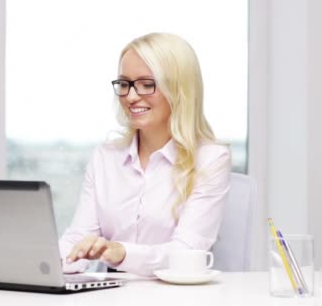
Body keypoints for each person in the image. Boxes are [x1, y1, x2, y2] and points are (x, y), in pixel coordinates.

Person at [58, 32, 231, 276]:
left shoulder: (211, 159)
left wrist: (122, 252)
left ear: (179, 89)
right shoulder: (105, 158)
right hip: (111, 297)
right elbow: (78, 237)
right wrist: (45, 264)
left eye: (147, 84)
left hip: (175, 298)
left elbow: (188, 251)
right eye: (124, 84)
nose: (130, 96)